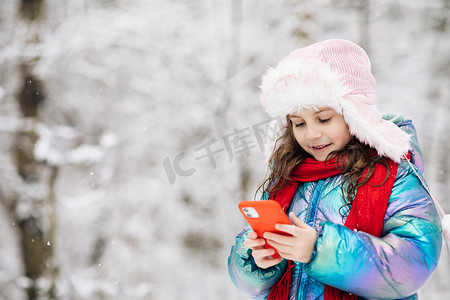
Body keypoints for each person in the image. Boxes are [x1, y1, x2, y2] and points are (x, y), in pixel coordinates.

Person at [228, 39, 443, 300]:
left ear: (353, 113)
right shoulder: (289, 173)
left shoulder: (391, 171)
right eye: (298, 123)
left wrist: (320, 249)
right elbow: (251, 285)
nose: (311, 134)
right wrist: (257, 262)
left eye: (324, 119)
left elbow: (415, 262)